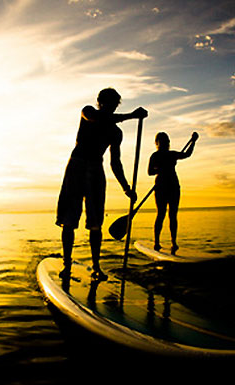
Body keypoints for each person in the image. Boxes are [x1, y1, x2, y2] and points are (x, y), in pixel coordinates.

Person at [56, 88, 148, 281]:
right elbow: (99, 118)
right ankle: (67, 265)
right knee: (69, 220)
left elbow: (115, 162)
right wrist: (132, 115)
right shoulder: (88, 112)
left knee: (96, 223)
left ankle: (97, 267)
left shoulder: (116, 133)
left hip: (97, 170)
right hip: (77, 166)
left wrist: (126, 187)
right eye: (107, 103)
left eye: (114, 104)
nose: (111, 107)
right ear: (100, 102)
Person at [148, 131, 198, 255]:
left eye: (166, 141)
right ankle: (157, 242)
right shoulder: (155, 156)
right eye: (161, 141)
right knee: (161, 214)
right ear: (157, 143)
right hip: (160, 187)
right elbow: (149, 172)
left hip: (174, 186)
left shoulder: (172, 154)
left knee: (173, 215)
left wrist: (193, 142)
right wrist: (160, 169)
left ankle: (174, 242)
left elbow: (186, 154)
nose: (165, 143)